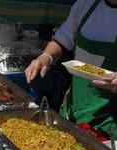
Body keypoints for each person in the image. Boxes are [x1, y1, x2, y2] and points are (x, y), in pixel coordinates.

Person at [25, 0, 117, 140]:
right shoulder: (86, 4)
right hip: (74, 107)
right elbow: (62, 40)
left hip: (109, 120)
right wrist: (46, 56)